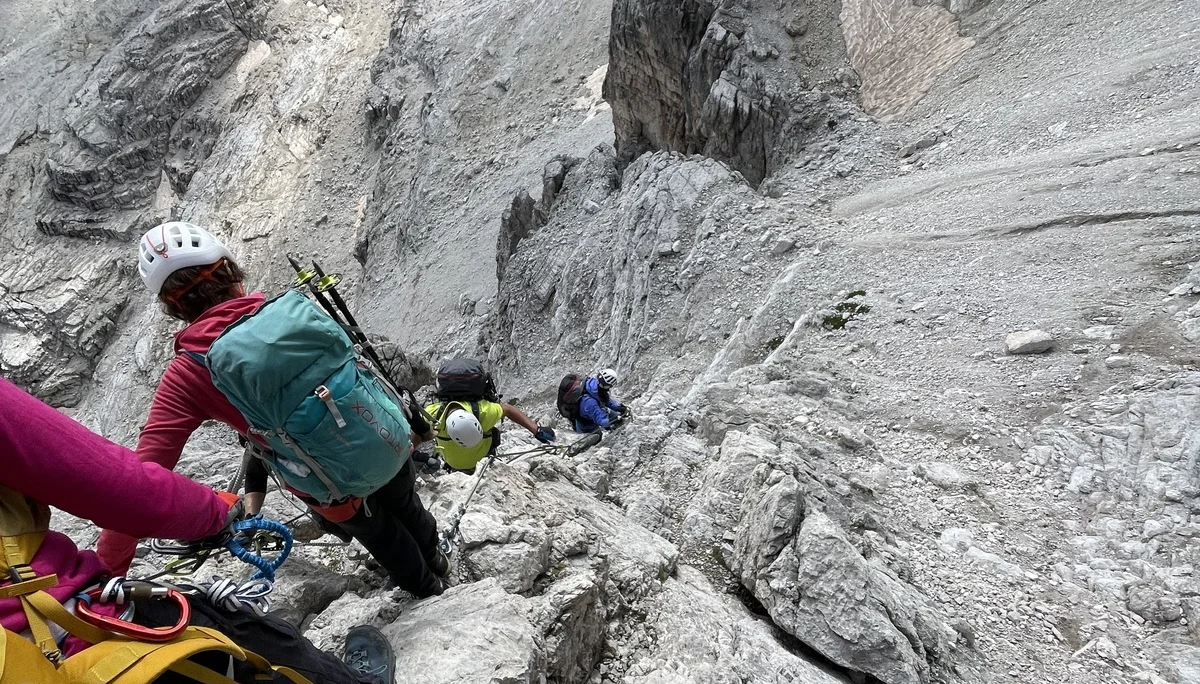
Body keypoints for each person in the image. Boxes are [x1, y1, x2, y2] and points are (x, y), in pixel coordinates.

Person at [97, 221, 448, 599]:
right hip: (380, 436)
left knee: (382, 535)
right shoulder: (287, 311)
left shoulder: (188, 373)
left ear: (172, 307)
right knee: (406, 505)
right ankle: (439, 562)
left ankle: (430, 593)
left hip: (329, 484)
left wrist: (104, 575)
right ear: (231, 271)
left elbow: (141, 480)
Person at [0, 376, 393, 684]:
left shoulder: (183, 374)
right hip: (79, 632)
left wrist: (114, 559)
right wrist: (214, 513)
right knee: (251, 636)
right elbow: (111, 483)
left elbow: (154, 448)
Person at [425, 400, 554, 474]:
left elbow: (507, 409)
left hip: (467, 466)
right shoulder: (432, 414)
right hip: (483, 463)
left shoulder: (484, 412)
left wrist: (536, 429)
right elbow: (508, 409)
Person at [573, 368, 629, 433]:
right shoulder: (589, 402)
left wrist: (618, 407)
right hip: (585, 422)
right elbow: (601, 421)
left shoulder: (595, 384)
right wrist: (613, 421)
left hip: (594, 409)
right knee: (597, 436)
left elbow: (605, 399)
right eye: (610, 386)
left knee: (614, 416)